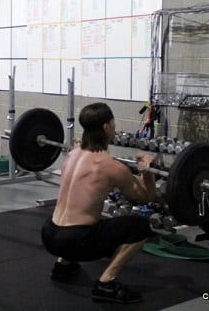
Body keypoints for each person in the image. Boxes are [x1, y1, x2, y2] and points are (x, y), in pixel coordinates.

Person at [41, 102, 155, 304]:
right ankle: (106, 283)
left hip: (49, 234)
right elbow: (146, 197)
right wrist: (147, 170)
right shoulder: (111, 166)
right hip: (75, 242)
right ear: (106, 127)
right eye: (113, 123)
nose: (115, 127)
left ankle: (63, 266)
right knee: (140, 226)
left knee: (88, 215)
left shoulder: (72, 153)